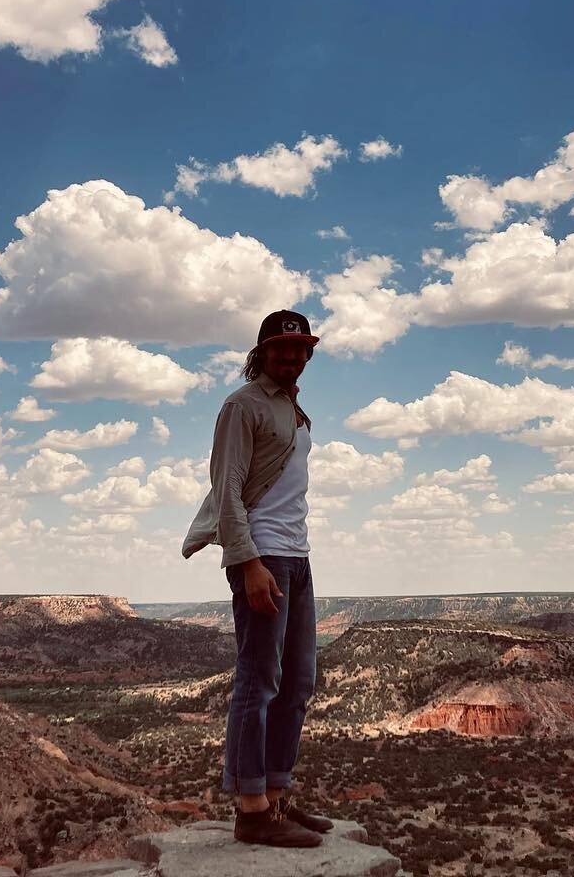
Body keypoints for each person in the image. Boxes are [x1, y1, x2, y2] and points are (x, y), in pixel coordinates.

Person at [180, 309, 335, 848]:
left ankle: (276, 794)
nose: (292, 356)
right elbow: (227, 490)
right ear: (262, 352)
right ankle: (251, 810)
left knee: (297, 683)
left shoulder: (292, 409)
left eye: (300, 348)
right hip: (262, 556)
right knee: (259, 681)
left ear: (308, 353)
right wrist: (246, 563)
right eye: (281, 348)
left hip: (297, 556)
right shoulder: (242, 406)